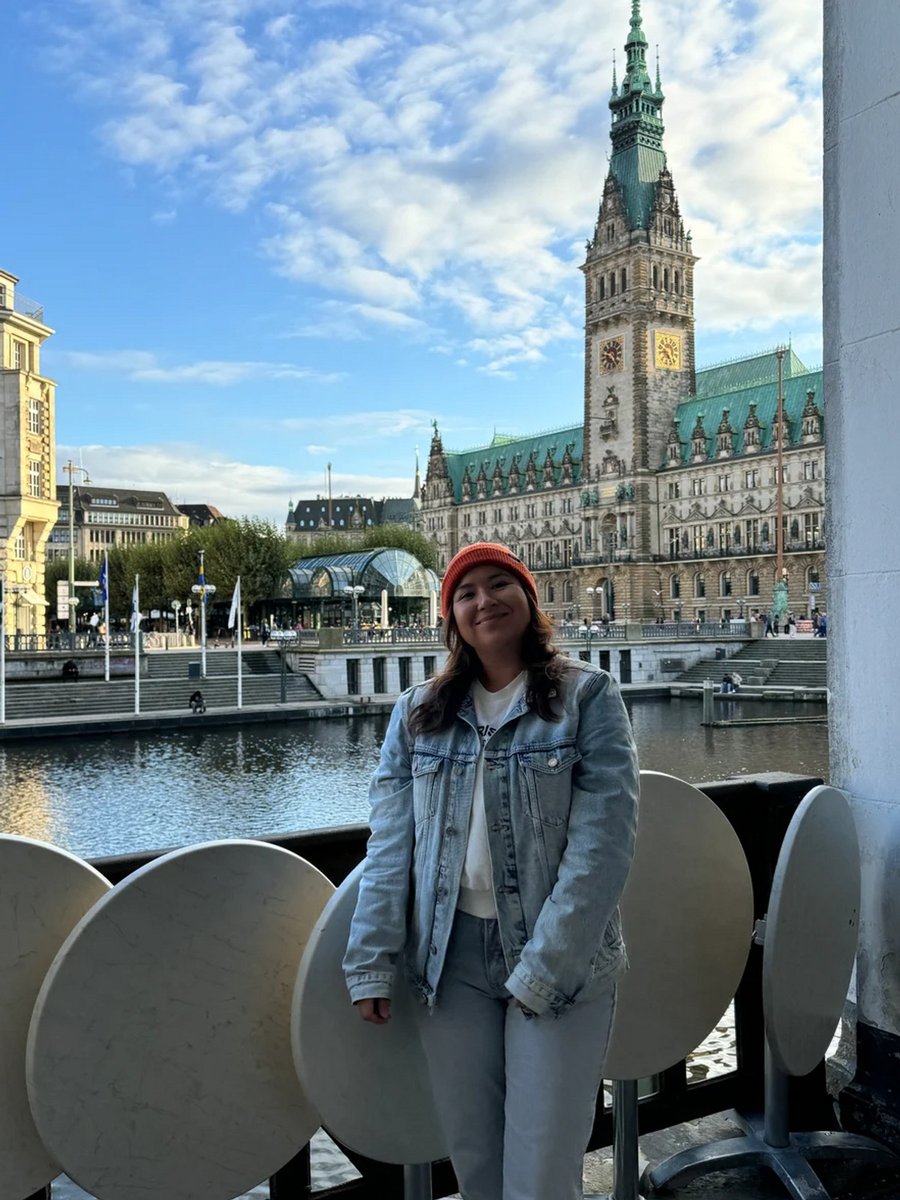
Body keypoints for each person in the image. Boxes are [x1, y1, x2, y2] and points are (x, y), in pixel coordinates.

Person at [344, 542, 639, 1200]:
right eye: (467, 591)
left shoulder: (587, 697)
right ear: (451, 615)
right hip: (449, 964)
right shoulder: (417, 713)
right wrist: (370, 960)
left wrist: (545, 968)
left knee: (539, 1175)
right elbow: (391, 844)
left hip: (554, 955)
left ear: (529, 599)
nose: (485, 600)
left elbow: (604, 847)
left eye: (500, 583)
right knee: (477, 1166)